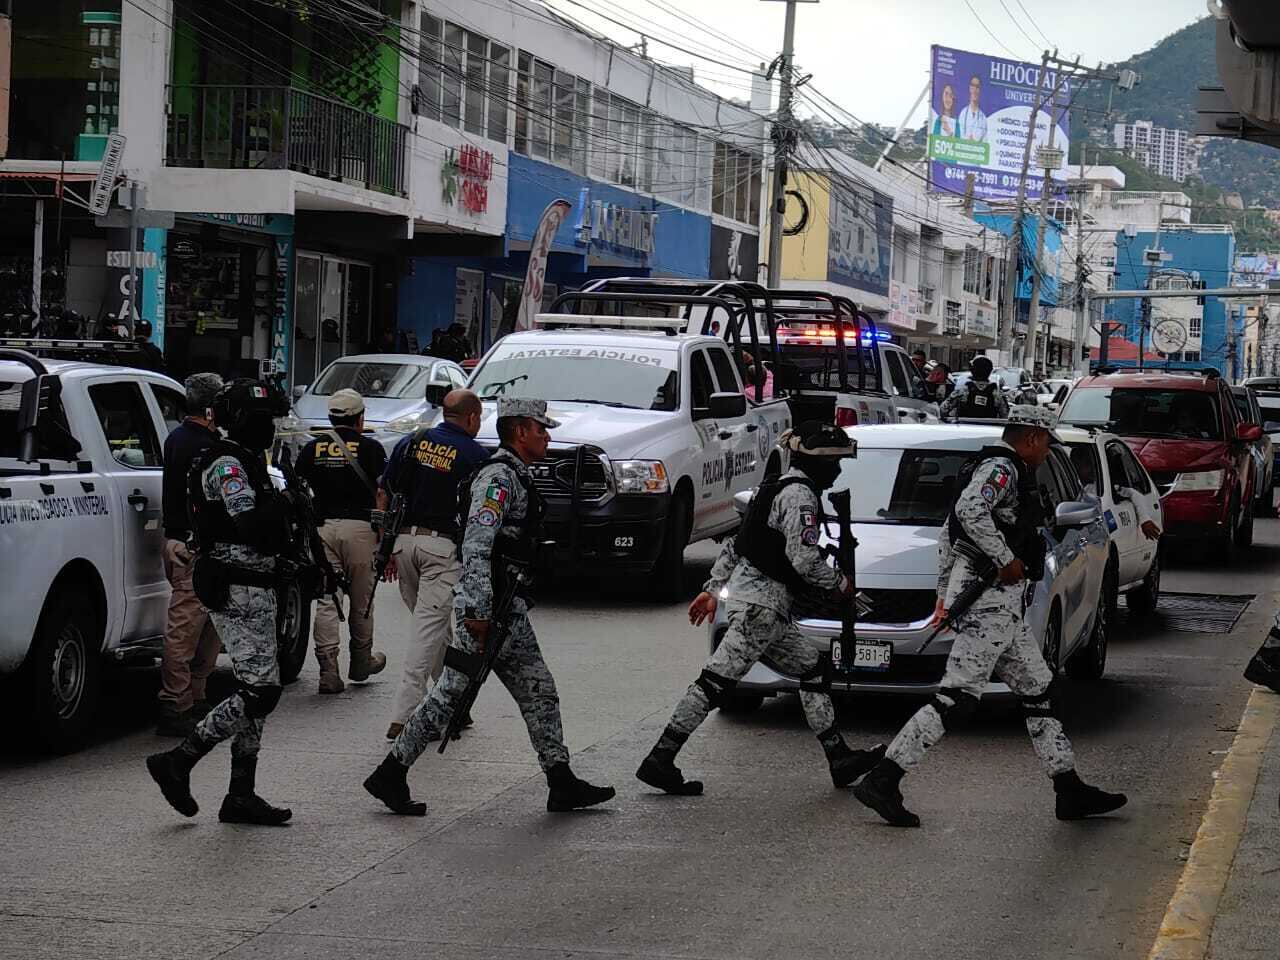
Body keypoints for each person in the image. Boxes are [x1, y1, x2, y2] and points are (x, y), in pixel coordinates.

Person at [852, 406, 1127, 828]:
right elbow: (967, 512)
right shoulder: (1003, 468)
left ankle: (1068, 788)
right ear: (1032, 437)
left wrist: (944, 594)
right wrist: (1004, 558)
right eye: (1046, 443)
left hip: (996, 601)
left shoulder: (990, 465)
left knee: (1040, 690)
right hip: (990, 597)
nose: (1045, 452)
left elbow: (950, 534)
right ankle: (884, 777)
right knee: (956, 696)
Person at [362, 397, 615, 817]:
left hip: (506, 608)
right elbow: (477, 546)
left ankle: (560, 779)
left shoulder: (513, 474)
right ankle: (391, 772)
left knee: (539, 692)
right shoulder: (497, 478)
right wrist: (477, 613)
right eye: (540, 429)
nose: (546, 436)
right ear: (520, 432)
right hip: (490, 609)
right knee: (447, 698)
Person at [636, 422, 886, 797]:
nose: (837, 471)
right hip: (760, 610)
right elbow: (803, 560)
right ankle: (660, 758)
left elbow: (738, 544)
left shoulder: (773, 488)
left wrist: (711, 589)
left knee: (812, 669)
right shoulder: (801, 498)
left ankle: (839, 758)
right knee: (713, 683)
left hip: (765, 608)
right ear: (816, 462)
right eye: (834, 462)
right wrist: (842, 587)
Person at [146, 379, 295, 826]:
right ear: (245, 421)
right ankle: (179, 760)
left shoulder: (247, 459)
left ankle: (241, 793)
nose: (270, 429)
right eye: (264, 420)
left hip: (257, 585)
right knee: (261, 691)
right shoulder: (226, 463)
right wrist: (287, 503)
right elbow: (247, 521)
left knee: (259, 686)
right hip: (235, 585)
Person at [379, 388, 488, 740]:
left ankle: (454, 701)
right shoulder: (475, 454)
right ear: (471, 417)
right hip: (442, 549)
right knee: (427, 633)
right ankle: (405, 715)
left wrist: (386, 545)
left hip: (404, 545)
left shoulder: (413, 441)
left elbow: (389, 488)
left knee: (434, 627)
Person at [294, 388, 389, 694]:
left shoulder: (312, 449)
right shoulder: (371, 448)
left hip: (322, 531)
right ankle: (361, 663)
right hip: (361, 530)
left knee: (327, 599)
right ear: (360, 418)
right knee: (363, 601)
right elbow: (382, 493)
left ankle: (328, 671)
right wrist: (383, 535)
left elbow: (300, 489)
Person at [156, 373, 225, 737]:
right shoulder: (204, 445)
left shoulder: (176, 439)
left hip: (181, 542)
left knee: (209, 621)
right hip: (194, 547)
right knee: (186, 628)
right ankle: (175, 702)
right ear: (213, 409)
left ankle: (195, 695)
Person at [940, 355, 1009, 420]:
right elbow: (1005, 416)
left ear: (972, 370)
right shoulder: (997, 394)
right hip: (989, 430)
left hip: (965, 429)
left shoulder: (962, 391)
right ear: (990, 371)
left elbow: (943, 409)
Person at [958, 74, 989, 142]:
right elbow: (959, 137)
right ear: (970, 88)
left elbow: (985, 143)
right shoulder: (963, 113)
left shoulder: (983, 118)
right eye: (973, 85)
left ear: (980, 90)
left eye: (977, 87)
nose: (975, 89)